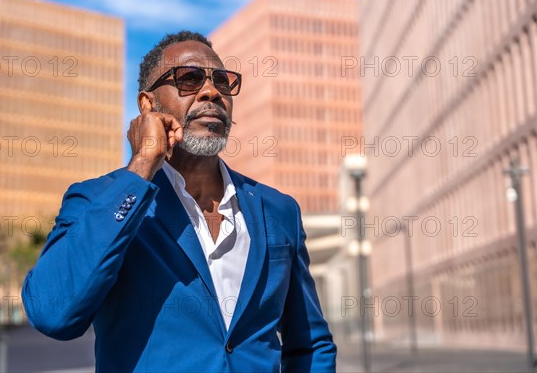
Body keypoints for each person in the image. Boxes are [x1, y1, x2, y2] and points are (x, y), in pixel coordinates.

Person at [22, 31, 337, 372]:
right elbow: (53, 314)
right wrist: (142, 164)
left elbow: (309, 344)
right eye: (188, 79)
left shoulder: (279, 210)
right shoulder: (100, 199)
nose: (212, 91)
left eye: (222, 82)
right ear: (148, 105)